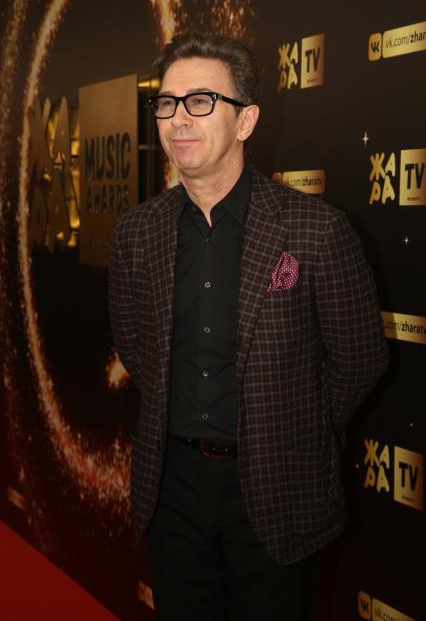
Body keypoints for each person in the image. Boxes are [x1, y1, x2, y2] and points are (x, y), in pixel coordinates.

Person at [109, 32, 389, 620]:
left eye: (201, 100)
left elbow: (360, 360)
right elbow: (135, 346)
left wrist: (292, 427)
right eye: (167, 103)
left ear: (246, 120)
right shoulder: (137, 232)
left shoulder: (316, 231)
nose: (179, 119)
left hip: (277, 487)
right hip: (171, 489)